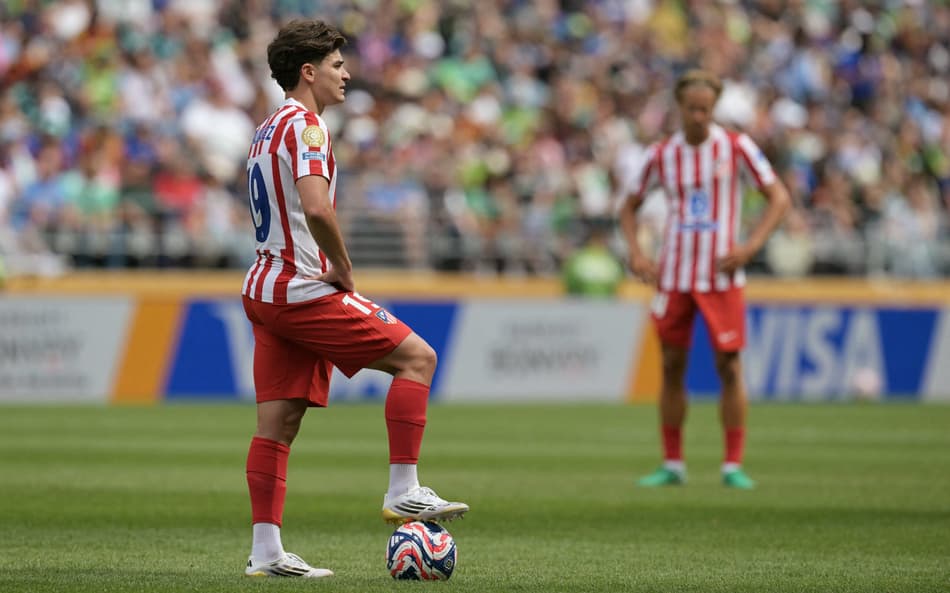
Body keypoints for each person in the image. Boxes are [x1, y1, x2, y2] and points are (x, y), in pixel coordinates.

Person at [240, 19, 468, 579]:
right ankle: (404, 489)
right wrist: (342, 267)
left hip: (265, 288)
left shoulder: (267, 128)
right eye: (339, 65)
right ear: (309, 71)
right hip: (302, 288)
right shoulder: (309, 128)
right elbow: (317, 208)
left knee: (278, 425)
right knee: (418, 358)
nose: (348, 74)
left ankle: (266, 552)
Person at [618, 69, 790, 490]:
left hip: (721, 276)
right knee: (671, 365)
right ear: (680, 107)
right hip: (675, 275)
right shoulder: (662, 154)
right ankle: (672, 462)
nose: (699, 116)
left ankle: (733, 464)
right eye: (693, 108)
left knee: (728, 366)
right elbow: (629, 206)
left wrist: (751, 247)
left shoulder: (736, 146)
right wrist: (638, 252)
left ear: (714, 108)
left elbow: (779, 198)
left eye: (706, 109)